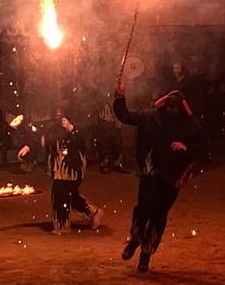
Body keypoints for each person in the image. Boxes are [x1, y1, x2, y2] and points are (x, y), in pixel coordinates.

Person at [113, 83, 207, 272]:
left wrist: (186, 147)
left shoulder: (190, 126)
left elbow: (203, 149)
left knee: (158, 214)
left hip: (173, 176)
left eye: (175, 108)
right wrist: (120, 97)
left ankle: (145, 254)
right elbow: (125, 116)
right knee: (144, 210)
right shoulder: (151, 117)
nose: (172, 111)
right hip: (151, 172)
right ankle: (135, 241)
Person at [45, 114, 104, 234]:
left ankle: (62, 225)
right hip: (59, 168)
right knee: (69, 195)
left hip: (71, 169)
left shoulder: (78, 124)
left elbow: (82, 140)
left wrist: (71, 128)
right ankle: (93, 212)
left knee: (61, 194)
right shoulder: (53, 128)